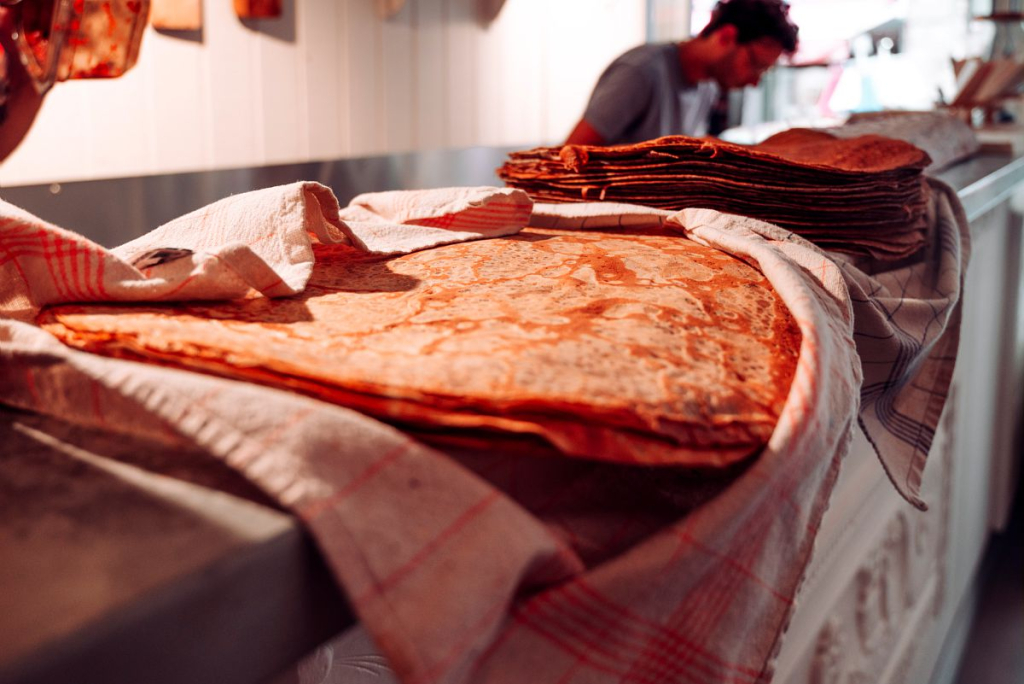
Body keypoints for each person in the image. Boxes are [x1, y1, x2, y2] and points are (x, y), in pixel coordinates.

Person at [565, 0, 799, 146]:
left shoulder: (708, 85)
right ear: (726, 36)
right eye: (755, 64)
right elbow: (570, 153)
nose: (755, 81)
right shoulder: (641, 71)